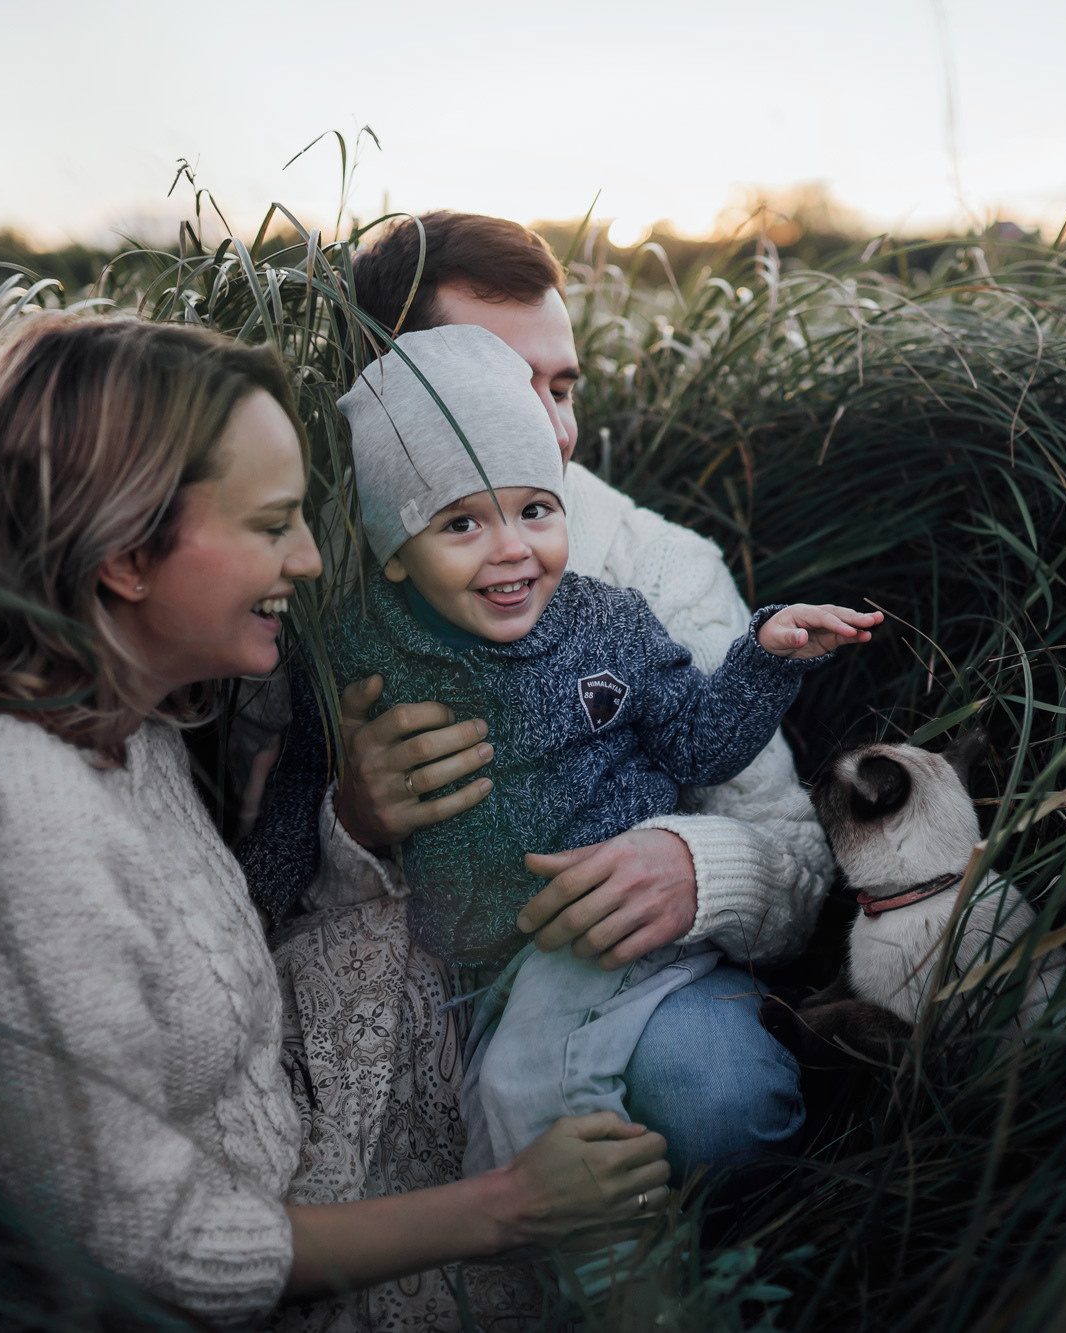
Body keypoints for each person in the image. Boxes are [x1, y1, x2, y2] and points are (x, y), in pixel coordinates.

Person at [0, 314, 670, 1331]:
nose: (309, 559)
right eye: (271, 524)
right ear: (127, 555)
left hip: (288, 1180)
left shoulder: (133, 724)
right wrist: (506, 1205)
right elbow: (152, 1247)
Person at [239, 213, 836, 1176]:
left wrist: (697, 867)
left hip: (612, 966)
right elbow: (260, 864)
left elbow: (797, 864)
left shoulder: (654, 569)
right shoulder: (312, 579)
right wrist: (350, 822)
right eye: (505, 386)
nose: (551, 429)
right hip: (412, 958)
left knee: (716, 1099)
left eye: (562, 387)